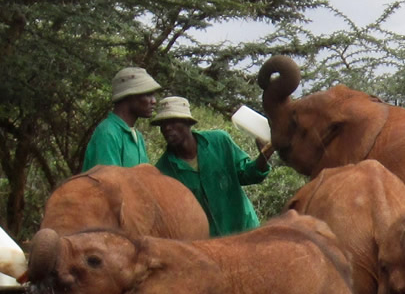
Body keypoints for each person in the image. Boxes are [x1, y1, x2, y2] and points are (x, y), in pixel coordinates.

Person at [152, 96, 275, 236]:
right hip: (209, 246)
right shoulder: (163, 171)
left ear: (187, 122)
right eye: (162, 124)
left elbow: (248, 175)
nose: (167, 128)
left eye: (173, 121)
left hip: (245, 233)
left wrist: (264, 157)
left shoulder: (219, 141)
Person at [81, 66, 162, 170]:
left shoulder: (138, 137)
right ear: (129, 96)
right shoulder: (108, 133)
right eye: (148, 94)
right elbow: (108, 183)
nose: (154, 101)